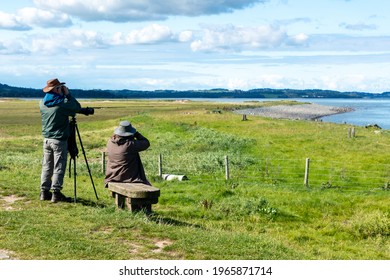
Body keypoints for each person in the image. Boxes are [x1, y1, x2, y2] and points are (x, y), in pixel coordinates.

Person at [39, 78, 81, 203]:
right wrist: (67, 94)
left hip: (46, 140)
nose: (63, 89)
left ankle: (44, 192)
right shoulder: (61, 104)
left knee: (47, 166)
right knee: (59, 166)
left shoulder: (42, 103)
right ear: (56, 89)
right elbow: (76, 107)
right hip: (59, 140)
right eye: (60, 87)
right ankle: (56, 194)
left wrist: (62, 93)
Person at [104, 120, 151, 186]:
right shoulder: (130, 145)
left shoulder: (110, 142)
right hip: (129, 179)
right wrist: (136, 134)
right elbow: (146, 143)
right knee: (150, 192)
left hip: (112, 177)